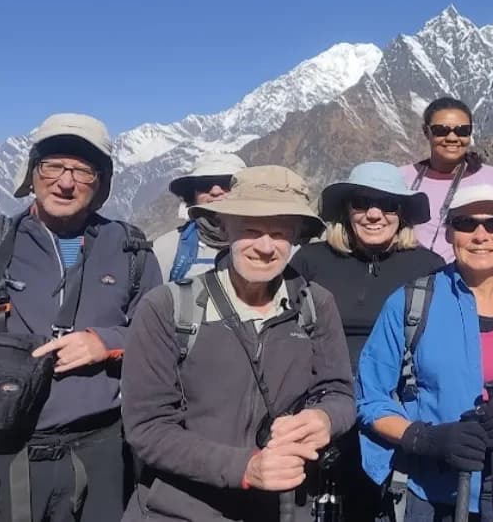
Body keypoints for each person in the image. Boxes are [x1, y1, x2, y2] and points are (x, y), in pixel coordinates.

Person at [120, 165, 355, 521]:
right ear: (224, 228)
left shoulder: (315, 304)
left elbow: (338, 391)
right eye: (251, 230)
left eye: (279, 232)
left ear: (296, 237)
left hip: (284, 507)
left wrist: (324, 418)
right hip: (180, 510)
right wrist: (245, 467)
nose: (265, 247)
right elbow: (148, 427)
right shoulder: (168, 308)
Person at [0, 113, 162, 522]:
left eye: (82, 170)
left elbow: (164, 339)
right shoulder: (1, 243)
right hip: (10, 451)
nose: (65, 182)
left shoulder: (132, 252)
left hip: (103, 451)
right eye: (53, 166)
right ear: (32, 173)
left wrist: (107, 343)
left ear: (101, 182)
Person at [357, 184, 493, 521]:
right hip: (430, 493)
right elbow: (369, 398)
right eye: (466, 223)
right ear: (449, 233)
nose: (481, 235)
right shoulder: (410, 303)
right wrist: (426, 438)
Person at [289, 161, 444, 520]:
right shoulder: (310, 261)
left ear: (401, 212)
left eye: (388, 204)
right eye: (362, 202)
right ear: (347, 209)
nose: (375, 214)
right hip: (318, 403)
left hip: (395, 408)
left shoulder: (428, 266)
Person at [399, 97, 493, 263]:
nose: (452, 137)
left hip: (468, 278)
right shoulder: (402, 177)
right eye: (441, 130)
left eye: (462, 130)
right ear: (426, 131)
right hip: (410, 275)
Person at [152, 152, 246, 280]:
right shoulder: (165, 249)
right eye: (204, 184)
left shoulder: (268, 244)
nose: (215, 191)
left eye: (227, 183)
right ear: (193, 194)